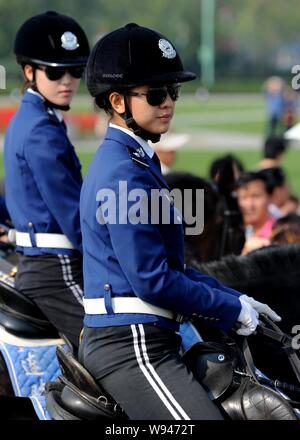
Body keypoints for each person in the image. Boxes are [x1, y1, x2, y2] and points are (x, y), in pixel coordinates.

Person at [78, 23, 281, 420]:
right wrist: (227, 309)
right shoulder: (124, 172)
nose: (168, 102)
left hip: (151, 334)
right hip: (131, 343)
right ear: (118, 101)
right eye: (156, 94)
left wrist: (233, 296)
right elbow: (152, 279)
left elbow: (174, 267)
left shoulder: (139, 162)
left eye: (173, 91)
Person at [4, 11, 90, 348]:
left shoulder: (35, 118)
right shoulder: (42, 131)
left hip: (43, 263)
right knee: (119, 349)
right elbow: (74, 217)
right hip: (57, 270)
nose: (67, 80)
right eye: (55, 72)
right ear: (29, 71)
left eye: (75, 71)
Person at [236, 171, 276, 255]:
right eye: (243, 197)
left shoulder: (278, 234)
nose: (249, 204)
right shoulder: (239, 232)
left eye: (256, 196)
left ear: (271, 197)